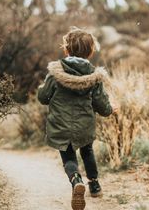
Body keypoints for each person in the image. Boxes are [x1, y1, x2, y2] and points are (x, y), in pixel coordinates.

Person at [38, 27, 115, 210]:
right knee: (87, 152)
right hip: (84, 125)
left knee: (68, 157)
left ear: (66, 49)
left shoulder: (55, 73)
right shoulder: (94, 76)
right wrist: (110, 109)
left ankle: (75, 180)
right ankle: (94, 185)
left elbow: (43, 97)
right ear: (90, 52)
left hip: (60, 125)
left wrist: (47, 90)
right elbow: (101, 105)